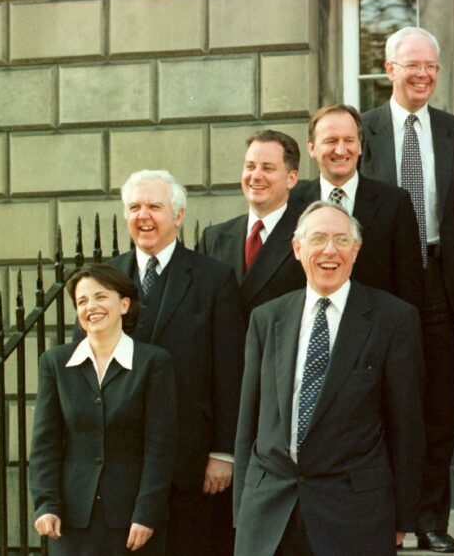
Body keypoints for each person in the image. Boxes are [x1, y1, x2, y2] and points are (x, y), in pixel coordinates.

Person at [232, 201, 425, 556]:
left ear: (356, 250)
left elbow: (407, 426)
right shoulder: (266, 318)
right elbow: (249, 422)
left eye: (341, 240)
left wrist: (404, 516)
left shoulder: (393, 319)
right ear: (297, 248)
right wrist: (242, 510)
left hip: (354, 515)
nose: (329, 251)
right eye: (318, 239)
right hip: (269, 514)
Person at [360, 26, 454, 553]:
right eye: (413, 65)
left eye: (432, 66)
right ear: (390, 69)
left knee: (436, 404)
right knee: (377, 397)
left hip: (437, 279)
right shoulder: (362, 131)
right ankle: (382, 516)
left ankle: (431, 518)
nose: (424, 74)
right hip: (378, 277)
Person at [108, 170, 244, 556]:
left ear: (179, 216)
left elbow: (230, 370)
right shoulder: (106, 278)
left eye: (155, 206)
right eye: (134, 207)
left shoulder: (213, 279)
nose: (143, 216)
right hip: (123, 459)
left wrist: (223, 452)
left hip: (191, 461)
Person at [30, 263, 177, 555]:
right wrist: (45, 505)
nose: (91, 307)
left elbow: (160, 445)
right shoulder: (55, 363)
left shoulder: (153, 362)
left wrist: (146, 512)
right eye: (82, 301)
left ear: (124, 304)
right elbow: (45, 443)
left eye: (100, 297)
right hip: (70, 519)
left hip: (131, 520)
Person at [293, 104, 423, 310]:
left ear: (360, 145)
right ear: (311, 148)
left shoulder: (395, 203)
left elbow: (410, 284)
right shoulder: (292, 202)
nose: (341, 150)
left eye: (349, 140)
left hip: (377, 332)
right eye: (331, 141)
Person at [200, 130, 307, 321]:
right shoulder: (214, 237)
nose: (256, 176)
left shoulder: (307, 237)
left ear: (291, 178)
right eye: (250, 167)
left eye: (268, 168)